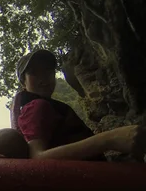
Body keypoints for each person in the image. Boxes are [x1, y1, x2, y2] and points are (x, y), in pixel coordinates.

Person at [11, 49, 146, 160]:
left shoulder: (49, 107)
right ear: (23, 82)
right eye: (34, 73)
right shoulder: (36, 107)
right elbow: (37, 158)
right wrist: (109, 139)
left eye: (48, 71)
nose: (43, 78)